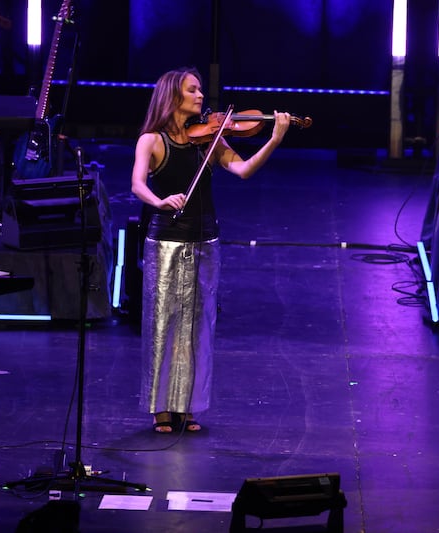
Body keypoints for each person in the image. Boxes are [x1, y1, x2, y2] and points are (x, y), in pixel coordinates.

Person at [131, 67, 290, 433]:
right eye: (193, 90)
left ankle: (188, 407)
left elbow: (245, 169)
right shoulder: (151, 140)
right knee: (163, 325)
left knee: (198, 327)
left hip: (205, 240)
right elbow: (138, 184)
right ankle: (161, 407)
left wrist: (275, 139)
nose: (201, 96)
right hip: (166, 241)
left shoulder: (210, 140)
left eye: (201, 90)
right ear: (173, 96)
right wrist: (161, 200)